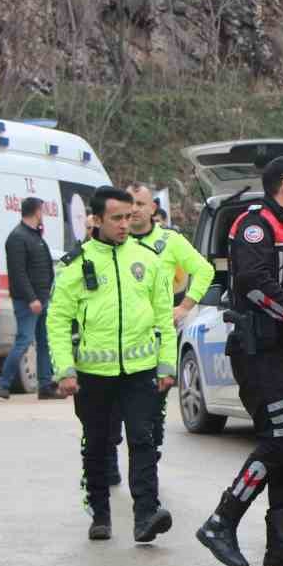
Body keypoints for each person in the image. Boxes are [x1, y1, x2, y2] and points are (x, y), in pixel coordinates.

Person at [195, 157, 283, 566]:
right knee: (280, 442)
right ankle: (222, 521)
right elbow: (254, 287)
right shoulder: (255, 224)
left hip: (282, 353)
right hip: (258, 356)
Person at [47, 186, 176, 543]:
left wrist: (167, 365)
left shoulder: (148, 259)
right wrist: (65, 369)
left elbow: (164, 318)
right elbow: (57, 321)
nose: (124, 224)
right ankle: (100, 513)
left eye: (129, 217)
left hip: (140, 372)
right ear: (97, 219)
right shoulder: (75, 265)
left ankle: (146, 514)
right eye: (116, 218)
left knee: (143, 439)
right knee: (98, 445)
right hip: (93, 376)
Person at [101, 183, 216, 476]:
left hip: (157, 342)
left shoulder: (170, 241)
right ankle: (111, 452)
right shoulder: (115, 244)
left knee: (152, 416)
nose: (136, 210)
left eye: (141, 204)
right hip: (117, 344)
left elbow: (204, 270)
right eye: (131, 205)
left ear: (153, 208)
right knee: (112, 412)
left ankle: (147, 464)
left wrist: (185, 306)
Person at [0, 196, 57, 400]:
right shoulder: (17, 237)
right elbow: (18, 272)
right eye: (42, 211)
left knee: (44, 342)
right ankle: (4, 384)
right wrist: (32, 299)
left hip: (42, 298)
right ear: (37, 212)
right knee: (24, 340)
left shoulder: (34, 235)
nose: (43, 215)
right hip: (28, 301)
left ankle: (46, 385)